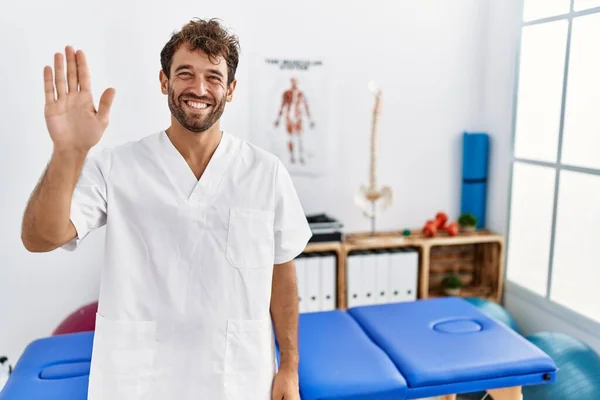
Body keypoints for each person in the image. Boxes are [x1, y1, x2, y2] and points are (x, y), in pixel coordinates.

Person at [20, 18, 312, 400]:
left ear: (231, 89)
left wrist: (289, 366)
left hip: (236, 380)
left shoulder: (265, 173)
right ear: (164, 81)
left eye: (213, 77)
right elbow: (40, 238)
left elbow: (282, 276)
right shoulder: (116, 167)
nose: (199, 88)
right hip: (139, 382)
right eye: (185, 73)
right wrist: (67, 153)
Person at [274, 77, 315, 164]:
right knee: (291, 138)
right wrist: (278, 119)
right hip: (289, 117)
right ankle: (292, 157)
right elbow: (282, 106)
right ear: (291, 83)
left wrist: (310, 120)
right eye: (293, 82)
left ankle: (301, 156)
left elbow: (306, 106)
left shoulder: (301, 94)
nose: (294, 84)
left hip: (298, 118)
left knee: (300, 138)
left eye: (295, 82)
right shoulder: (286, 94)